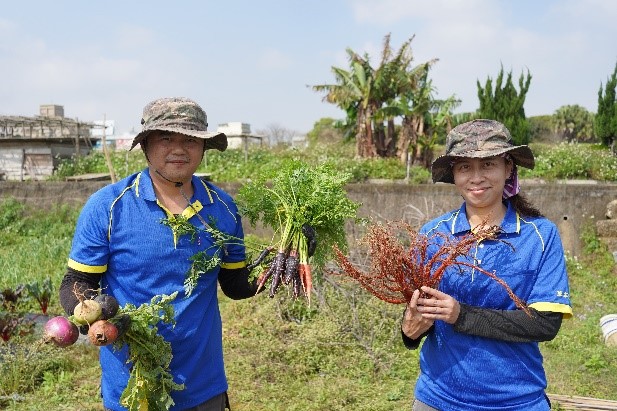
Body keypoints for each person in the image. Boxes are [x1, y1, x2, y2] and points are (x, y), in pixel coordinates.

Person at [59, 97, 267, 411]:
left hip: (203, 384)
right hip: (133, 385)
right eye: (166, 138)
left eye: (190, 140)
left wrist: (284, 263)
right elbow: (76, 281)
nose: (179, 149)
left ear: (203, 147)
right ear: (146, 146)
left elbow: (236, 285)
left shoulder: (223, 208)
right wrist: (96, 316)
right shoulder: (109, 207)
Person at [401, 119, 573, 411]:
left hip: (516, 400)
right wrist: (409, 331)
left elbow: (545, 323)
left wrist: (462, 315)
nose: (476, 177)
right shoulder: (432, 235)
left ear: (508, 169)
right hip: (439, 398)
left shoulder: (540, 235)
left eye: (488, 165)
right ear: (454, 174)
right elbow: (421, 316)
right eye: (465, 167)